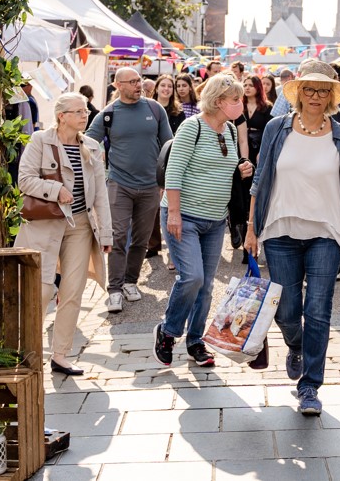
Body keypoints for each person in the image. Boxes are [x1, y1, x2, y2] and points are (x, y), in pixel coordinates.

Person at [244, 59, 340, 416]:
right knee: (289, 309)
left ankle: (310, 386)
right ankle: (295, 345)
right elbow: (260, 179)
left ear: (331, 96)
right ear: (298, 93)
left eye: (322, 90)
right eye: (308, 89)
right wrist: (251, 228)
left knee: (318, 310)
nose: (315, 96)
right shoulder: (277, 128)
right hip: (279, 229)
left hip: (327, 233)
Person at [153, 74, 252, 369]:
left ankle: (195, 340)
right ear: (219, 101)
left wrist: (241, 168)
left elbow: (224, 167)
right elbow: (174, 172)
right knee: (192, 277)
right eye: (236, 99)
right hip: (184, 216)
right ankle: (169, 331)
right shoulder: (191, 127)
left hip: (215, 219)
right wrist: (173, 212)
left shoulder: (231, 131)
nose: (240, 103)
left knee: (206, 285)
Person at [16, 92, 114, 377]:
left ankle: (61, 356)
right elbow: (24, 180)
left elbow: (101, 196)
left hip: (81, 226)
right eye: (79, 111)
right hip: (46, 224)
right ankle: (26, 351)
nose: (85, 115)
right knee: (43, 288)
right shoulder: (40, 141)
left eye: (85, 111)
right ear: (62, 116)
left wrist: (106, 234)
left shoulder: (92, 147)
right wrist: (55, 190)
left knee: (73, 291)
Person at [86, 67, 173, 313]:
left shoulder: (155, 109)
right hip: (119, 184)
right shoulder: (107, 114)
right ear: (118, 85)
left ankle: (130, 281)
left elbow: (168, 145)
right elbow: (88, 143)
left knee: (142, 238)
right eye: (133, 81)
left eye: (139, 80)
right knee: (117, 236)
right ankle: (114, 289)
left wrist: (165, 182)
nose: (139, 85)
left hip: (150, 186)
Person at [229, 75, 273, 250]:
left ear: (258, 87)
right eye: (244, 85)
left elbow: (270, 132)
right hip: (241, 147)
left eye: (250, 85)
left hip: (259, 148)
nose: (247, 88)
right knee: (238, 188)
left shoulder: (267, 107)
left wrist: (262, 151)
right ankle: (236, 225)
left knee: (253, 189)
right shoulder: (239, 107)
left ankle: (250, 222)